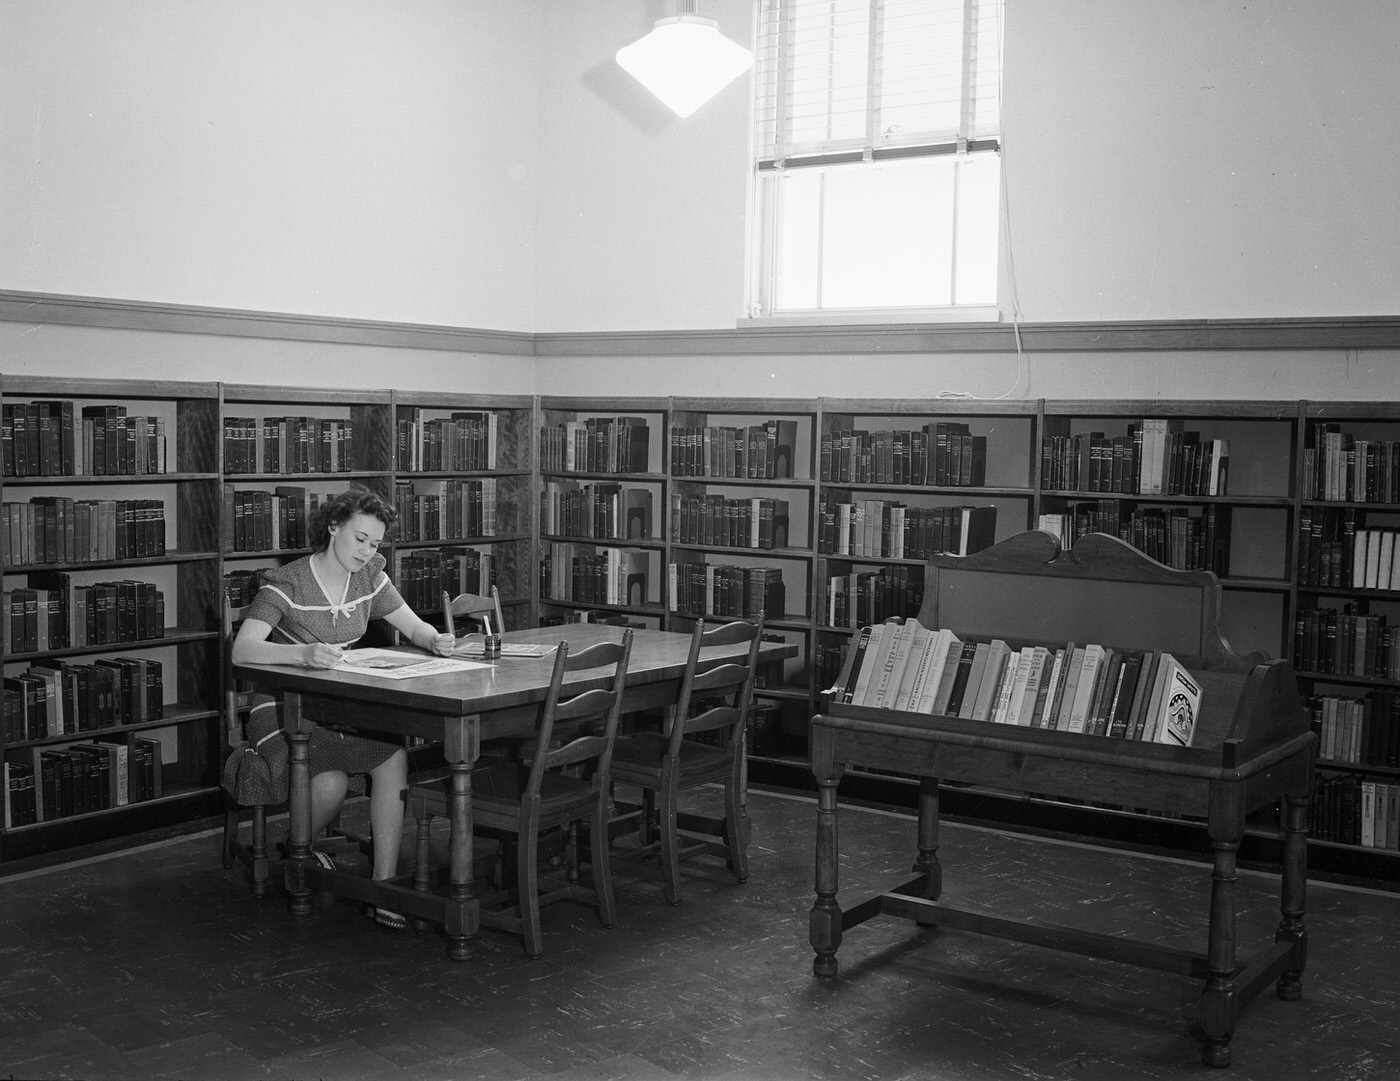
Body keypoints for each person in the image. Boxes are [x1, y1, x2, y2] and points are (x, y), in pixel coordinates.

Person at [229, 485, 455, 930]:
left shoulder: (370, 575)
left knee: (392, 757)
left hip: (337, 706)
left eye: (375, 543)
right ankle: (298, 852)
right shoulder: (288, 581)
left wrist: (434, 639)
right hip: (281, 707)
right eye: (359, 539)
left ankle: (383, 888)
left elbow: (411, 624)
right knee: (329, 783)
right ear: (333, 528)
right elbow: (242, 650)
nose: (367, 551)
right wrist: (303, 655)